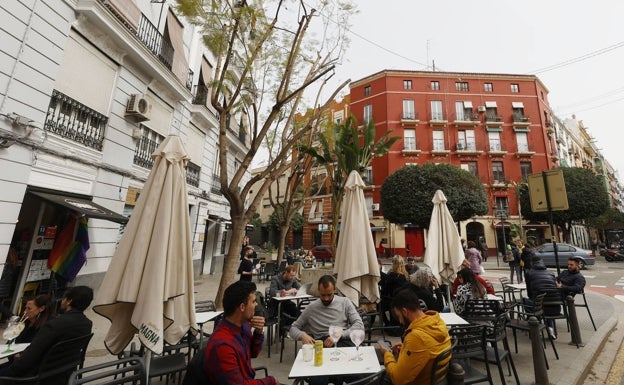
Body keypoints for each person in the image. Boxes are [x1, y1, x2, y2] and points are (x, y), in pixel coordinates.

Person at [0, 286, 93, 382]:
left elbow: (28, 359)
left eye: (64, 298)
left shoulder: (54, 325)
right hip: (62, 373)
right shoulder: (87, 324)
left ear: (69, 301)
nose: (62, 301)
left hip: (38, 376)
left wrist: (8, 373)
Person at [289, 275, 364, 385]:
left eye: (329, 294)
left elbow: (359, 325)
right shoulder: (311, 308)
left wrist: (338, 335)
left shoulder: (345, 302)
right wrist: (302, 335)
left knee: (361, 376)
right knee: (317, 381)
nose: (326, 298)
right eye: (323, 295)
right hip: (322, 347)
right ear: (318, 291)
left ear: (335, 290)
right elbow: (293, 328)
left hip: (343, 343)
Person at [202, 280, 278, 385]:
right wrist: (270, 381)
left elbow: (253, 353)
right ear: (242, 307)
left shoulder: (243, 325)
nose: (256, 305)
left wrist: (258, 332)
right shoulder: (223, 345)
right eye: (253, 301)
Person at [379, 289, 451, 385]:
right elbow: (427, 351)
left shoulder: (416, 337)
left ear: (404, 311)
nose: (400, 321)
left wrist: (387, 354)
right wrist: (405, 348)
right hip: (437, 380)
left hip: (419, 381)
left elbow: (397, 380)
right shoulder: (437, 322)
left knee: (381, 376)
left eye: (399, 316)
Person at [525, 256, 559, 338]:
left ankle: (536, 327)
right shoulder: (551, 273)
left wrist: (530, 298)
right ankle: (550, 328)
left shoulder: (530, 273)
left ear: (531, 263)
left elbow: (529, 291)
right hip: (554, 305)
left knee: (528, 302)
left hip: (538, 304)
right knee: (546, 304)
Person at [380, 256, 409, 326]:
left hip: (392, 301)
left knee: (379, 306)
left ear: (394, 264)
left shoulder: (392, 276)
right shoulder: (405, 276)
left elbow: (385, 290)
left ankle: (387, 324)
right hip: (402, 301)